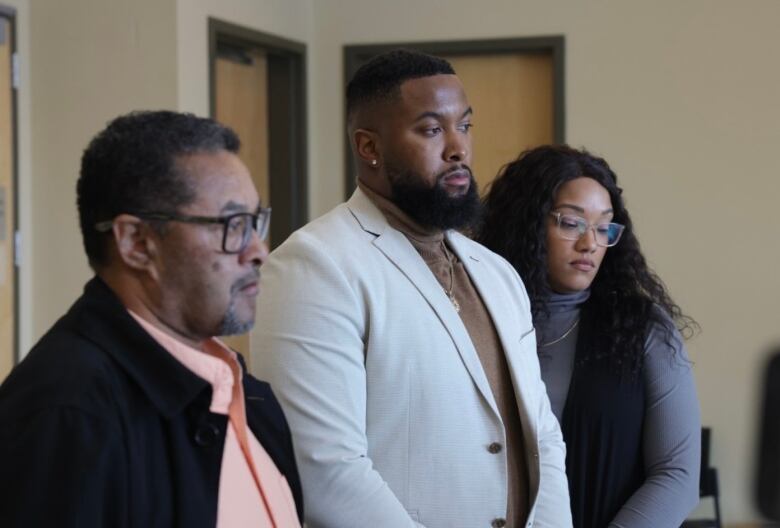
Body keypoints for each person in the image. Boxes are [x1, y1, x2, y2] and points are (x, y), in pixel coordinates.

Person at [252, 49, 571, 528]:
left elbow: (541, 434)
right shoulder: (313, 267)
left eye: (464, 125)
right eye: (431, 130)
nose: (457, 148)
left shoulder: (496, 273)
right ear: (368, 147)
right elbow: (327, 475)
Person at [0, 111, 303, 527]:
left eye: (255, 222)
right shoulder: (68, 412)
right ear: (137, 244)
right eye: (233, 225)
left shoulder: (247, 394)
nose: (258, 250)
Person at [479, 144, 701, 528]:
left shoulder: (642, 329)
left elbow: (677, 476)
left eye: (603, 227)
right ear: (525, 223)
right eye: (571, 222)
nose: (590, 243)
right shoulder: (478, 320)